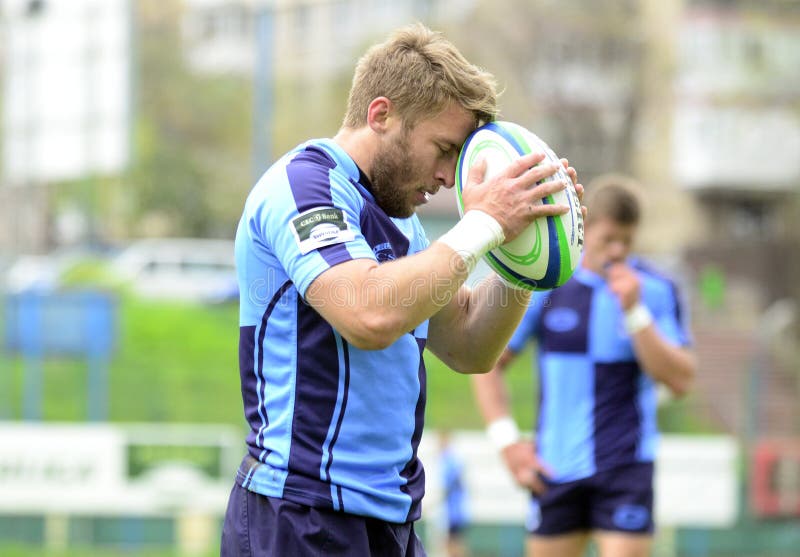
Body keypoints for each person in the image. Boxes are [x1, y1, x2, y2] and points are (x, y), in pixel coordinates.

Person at [220, 23, 583, 557]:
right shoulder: (304, 187)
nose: (445, 176)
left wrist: (522, 248)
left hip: (388, 518)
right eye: (442, 149)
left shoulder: (402, 221)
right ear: (381, 114)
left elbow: (468, 345)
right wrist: (484, 225)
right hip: (300, 514)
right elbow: (368, 313)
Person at [471, 175, 696, 557]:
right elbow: (487, 364)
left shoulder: (655, 290)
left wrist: (636, 313)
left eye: (627, 241)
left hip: (626, 468)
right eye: (608, 239)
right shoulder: (548, 283)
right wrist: (508, 442)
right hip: (555, 469)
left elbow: (680, 380)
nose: (618, 251)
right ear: (585, 227)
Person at [439, 431, 470, 557]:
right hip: (453, 510)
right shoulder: (448, 460)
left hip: (454, 511)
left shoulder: (450, 460)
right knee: (453, 542)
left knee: (453, 544)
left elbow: (450, 486)